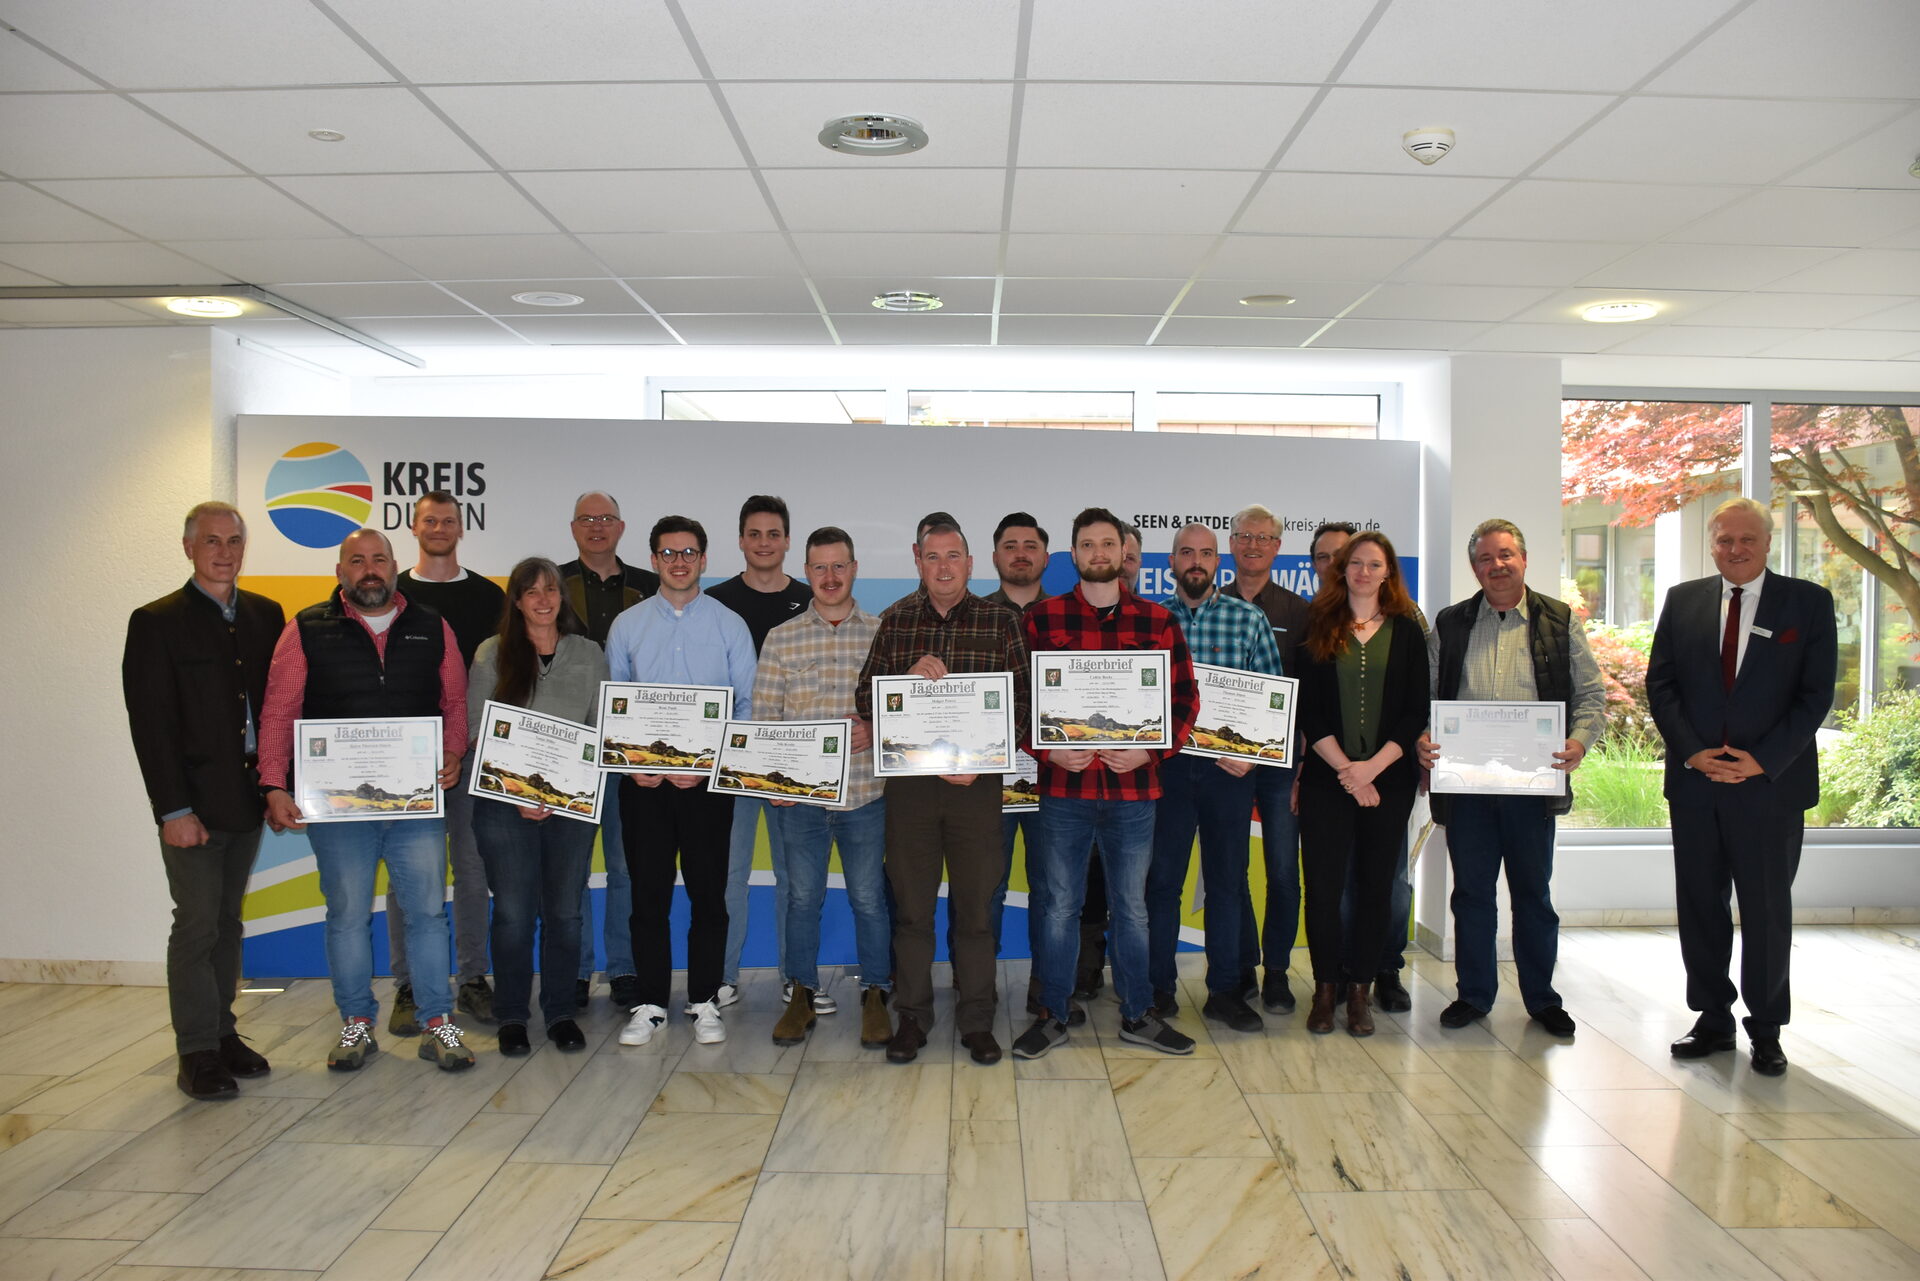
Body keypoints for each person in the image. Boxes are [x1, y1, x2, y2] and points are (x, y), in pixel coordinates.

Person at [260, 529, 474, 1071]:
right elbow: (280, 710)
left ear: (395, 567)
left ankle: (437, 1023)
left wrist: (453, 750)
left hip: (414, 805)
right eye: (357, 561)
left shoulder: (432, 625)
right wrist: (274, 783)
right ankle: (356, 1022)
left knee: (428, 915)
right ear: (340, 572)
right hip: (339, 810)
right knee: (348, 917)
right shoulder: (305, 628)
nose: (370, 569)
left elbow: (454, 701)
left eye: (379, 559)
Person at [1647, 497, 1836, 1077]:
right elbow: (1661, 684)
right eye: (1724, 539)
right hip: (1697, 784)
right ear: (1712, 544)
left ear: (1768, 542)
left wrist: (1762, 761)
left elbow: (1815, 696)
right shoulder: (1683, 600)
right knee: (1700, 906)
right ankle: (1712, 1019)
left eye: (1746, 539)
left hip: (1769, 789)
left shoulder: (1807, 603)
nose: (1735, 549)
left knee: (1766, 911)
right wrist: (1691, 752)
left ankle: (1767, 1029)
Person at [1014, 508, 1201, 1061]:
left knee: (1133, 910)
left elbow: (1185, 699)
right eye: (1087, 544)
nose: (1098, 553)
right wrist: (1047, 749)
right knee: (1059, 908)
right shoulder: (1042, 619)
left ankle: (1138, 1013)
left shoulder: (1157, 622)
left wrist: (1151, 749)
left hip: (1133, 794)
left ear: (1124, 552)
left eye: (1108, 544)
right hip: (1063, 792)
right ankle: (1052, 1013)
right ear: (1073, 554)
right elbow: (1017, 698)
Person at [1416, 519, 1605, 1037]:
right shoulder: (1451, 623)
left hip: (1531, 790)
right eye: (1485, 558)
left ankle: (1542, 1000)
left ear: (1523, 559)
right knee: (1471, 896)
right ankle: (1474, 995)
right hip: (1469, 791)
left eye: (1505, 555)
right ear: (1474, 567)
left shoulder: (1558, 620)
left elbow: (1591, 695)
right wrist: (1423, 736)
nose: (1496, 566)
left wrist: (1578, 742)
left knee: (1533, 896)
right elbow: (1425, 694)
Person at [124, 501, 285, 1099]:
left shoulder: (266, 615)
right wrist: (172, 810)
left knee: (227, 921)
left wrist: (277, 785)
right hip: (191, 806)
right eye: (211, 541)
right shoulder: (156, 621)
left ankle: (221, 1033)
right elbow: (151, 724)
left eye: (233, 540)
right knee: (195, 926)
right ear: (189, 547)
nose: (224, 551)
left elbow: (279, 708)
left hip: (246, 801)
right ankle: (195, 1052)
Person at [856, 519, 1029, 1065]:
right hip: (911, 790)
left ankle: (976, 1020)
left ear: (970, 563)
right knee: (912, 911)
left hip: (976, 789)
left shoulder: (1001, 621)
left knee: (975, 910)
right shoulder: (896, 620)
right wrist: (906, 679)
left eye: (953, 556)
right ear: (918, 561)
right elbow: (866, 698)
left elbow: (1025, 704)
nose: (944, 567)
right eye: (933, 557)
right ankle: (913, 1017)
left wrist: (982, 759)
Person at [606, 516, 757, 1047]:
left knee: (709, 896)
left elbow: (746, 707)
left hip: (706, 787)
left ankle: (704, 999)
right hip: (644, 786)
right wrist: (631, 764)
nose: (678, 561)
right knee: (647, 896)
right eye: (668, 553)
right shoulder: (627, 625)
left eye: (689, 552)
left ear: (703, 559)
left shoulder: (729, 625)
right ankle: (650, 1004)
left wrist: (711, 764)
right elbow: (614, 705)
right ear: (653, 560)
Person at [465, 558, 608, 1056]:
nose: (543, 600)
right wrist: (522, 794)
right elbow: (478, 732)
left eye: (551, 590)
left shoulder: (589, 653)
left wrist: (559, 792)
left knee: (565, 913)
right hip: (504, 807)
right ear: (517, 601)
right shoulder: (492, 653)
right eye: (532, 592)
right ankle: (512, 1015)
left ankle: (561, 1012)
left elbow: (600, 730)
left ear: (562, 598)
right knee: (513, 914)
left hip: (571, 806)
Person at [1146, 523, 1285, 1033]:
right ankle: (1158, 989)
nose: (1196, 561)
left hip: (1230, 771)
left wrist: (1255, 755)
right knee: (1162, 882)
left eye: (1205, 553)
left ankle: (1224, 991)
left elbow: (1274, 696)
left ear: (1217, 562)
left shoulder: (1249, 618)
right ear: (1171, 562)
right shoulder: (1152, 621)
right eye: (1186, 552)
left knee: (1227, 883)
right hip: (1168, 769)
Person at [758, 528, 892, 1049]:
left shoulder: (882, 633)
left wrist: (875, 729)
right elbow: (765, 718)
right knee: (802, 899)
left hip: (867, 795)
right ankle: (802, 993)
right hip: (801, 801)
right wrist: (770, 779)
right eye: (820, 567)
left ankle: (876, 992)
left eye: (839, 566)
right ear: (806, 571)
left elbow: (902, 711)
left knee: (869, 899)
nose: (830, 577)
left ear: (854, 569)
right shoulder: (782, 638)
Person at [1293, 532, 1429, 1038]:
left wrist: (1370, 770)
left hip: (1387, 780)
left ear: (1388, 571)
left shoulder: (1407, 630)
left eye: (1374, 564)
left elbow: (1415, 708)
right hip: (1327, 779)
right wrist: (1348, 771)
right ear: (1342, 570)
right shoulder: (1319, 624)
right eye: (1355, 563)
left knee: (1376, 888)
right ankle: (1325, 989)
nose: (1364, 572)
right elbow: (1308, 709)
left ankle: (1359, 992)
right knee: (1323, 889)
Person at [387, 490, 507, 1033]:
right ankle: (410, 985)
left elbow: (502, 673)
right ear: (414, 528)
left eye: (448, 521)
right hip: (404, 757)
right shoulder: (390, 592)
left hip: (473, 752)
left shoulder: (487, 596)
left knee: (473, 869)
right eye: (429, 521)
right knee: (408, 875)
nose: (439, 528)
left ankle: (473, 979)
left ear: (462, 528)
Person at [707, 496, 813, 1010]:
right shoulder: (716, 602)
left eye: (774, 534)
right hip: (732, 757)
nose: (764, 543)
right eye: (755, 534)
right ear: (741, 540)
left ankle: (795, 976)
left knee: (795, 876)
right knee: (730, 873)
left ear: (787, 540)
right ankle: (723, 976)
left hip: (793, 759)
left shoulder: (812, 599)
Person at [560, 490, 656, 1014]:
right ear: (573, 527)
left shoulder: (649, 585)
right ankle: (575, 971)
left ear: (620, 527)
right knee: (572, 869)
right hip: (567, 749)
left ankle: (623, 969)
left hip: (627, 751)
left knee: (624, 866)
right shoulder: (551, 584)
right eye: (586, 519)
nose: (596, 527)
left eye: (606, 519)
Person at [1223, 504, 1312, 1014]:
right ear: (1231, 544)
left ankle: (1276, 970)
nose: (1253, 545)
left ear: (1278, 546)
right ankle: (1241, 966)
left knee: (1282, 870)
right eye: (1245, 536)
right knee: (1231, 868)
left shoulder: (1299, 613)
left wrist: (1304, 754)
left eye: (1264, 538)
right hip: (1227, 762)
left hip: (1280, 764)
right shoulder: (1213, 605)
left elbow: (1313, 688)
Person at [983, 512, 1051, 975]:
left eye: (1030, 545)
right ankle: (978, 985)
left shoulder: (1067, 615)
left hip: (1056, 777)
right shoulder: (975, 616)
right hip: (988, 778)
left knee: (1052, 890)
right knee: (986, 888)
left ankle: (1048, 988)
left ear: (1045, 556)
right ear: (995, 557)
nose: (1020, 554)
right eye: (1010, 546)